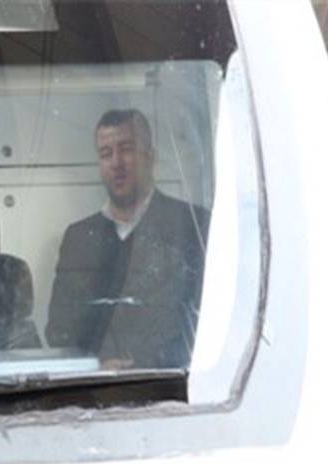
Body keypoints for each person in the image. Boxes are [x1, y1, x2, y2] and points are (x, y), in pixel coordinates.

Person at [45, 109, 210, 368]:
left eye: (127, 149)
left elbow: (208, 320)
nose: (116, 163)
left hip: (172, 383)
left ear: (150, 157)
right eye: (105, 153)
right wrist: (97, 365)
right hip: (95, 385)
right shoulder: (78, 239)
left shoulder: (191, 224)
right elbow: (59, 330)